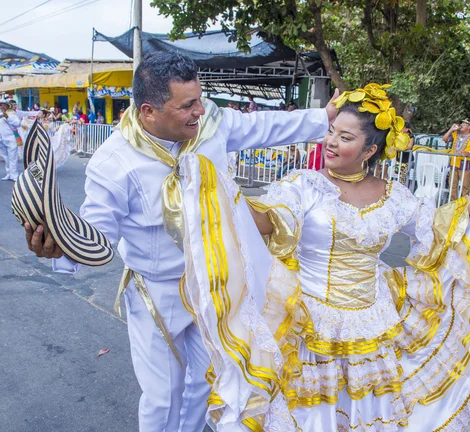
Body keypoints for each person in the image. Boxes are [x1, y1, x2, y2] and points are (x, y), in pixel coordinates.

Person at [178, 83, 470, 431]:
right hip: (313, 323)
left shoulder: (394, 196)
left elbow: (439, 227)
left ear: (370, 150)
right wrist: (218, 192)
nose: (329, 142)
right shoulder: (305, 185)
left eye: (344, 137)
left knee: (366, 413)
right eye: (330, 132)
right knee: (311, 416)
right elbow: (266, 221)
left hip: (373, 322)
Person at [23, 51, 337, 432]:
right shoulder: (113, 162)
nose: (200, 110)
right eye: (187, 105)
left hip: (217, 285)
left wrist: (325, 118)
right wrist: (60, 249)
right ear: (149, 111)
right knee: (162, 396)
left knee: (207, 385)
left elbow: (264, 126)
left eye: (200, 99)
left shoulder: (210, 127)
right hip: (157, 293)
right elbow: (96, 233)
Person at [442, 118, 470, 200]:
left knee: (465, 187)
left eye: (464, 124)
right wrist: (451, 129)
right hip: (453, 163)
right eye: (461, 123)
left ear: (469, 127)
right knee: (452, 186)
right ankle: (454, 205)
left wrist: (469, 153)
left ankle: (464, 206)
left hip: (465, 165)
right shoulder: (456, 134)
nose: (461, 125)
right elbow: (445, 139)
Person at [0, 98, 21, 181]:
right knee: (6, 157)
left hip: (11, 139)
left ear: (7, 106)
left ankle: (14, 175)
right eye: (0, 105)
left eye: (3, 105)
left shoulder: (12, 114)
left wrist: (7, 117)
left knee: (13, 158)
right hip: (1, 139)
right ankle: (8, 173)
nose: (2, 106)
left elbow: (18, 124)